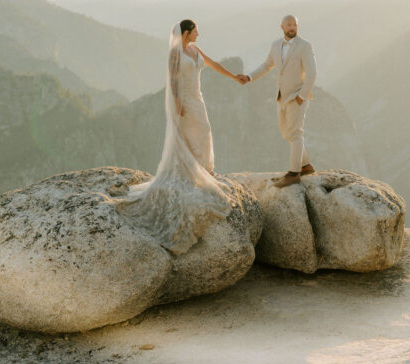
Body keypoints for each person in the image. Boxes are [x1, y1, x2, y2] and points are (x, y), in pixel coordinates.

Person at [112, 19, 246, 254]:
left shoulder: (195, 50)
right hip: (184, 100)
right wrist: (176, 102)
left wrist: (235, 77)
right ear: (186, 33)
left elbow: (213, 64)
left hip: (198, 98)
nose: (198, 34)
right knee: (193, 134)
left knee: (204, 131)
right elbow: (173, 78)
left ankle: (204, 169)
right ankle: (197, 171)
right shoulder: (175, 52)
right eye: (195, 31)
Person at [237, 14, 317, 188]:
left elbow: (312, 73)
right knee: (286, 132)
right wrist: (249, 77)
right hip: (281, 96)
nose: (292, 27)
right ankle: (306, 165)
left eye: (294, 24)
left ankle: (294, 173)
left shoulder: (305, 46)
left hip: (297, 97)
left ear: (297, 26)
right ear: (282, 27)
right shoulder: (275, 46)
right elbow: (266, 66)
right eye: (288, 24)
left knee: (295, 133)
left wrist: (302, 96)